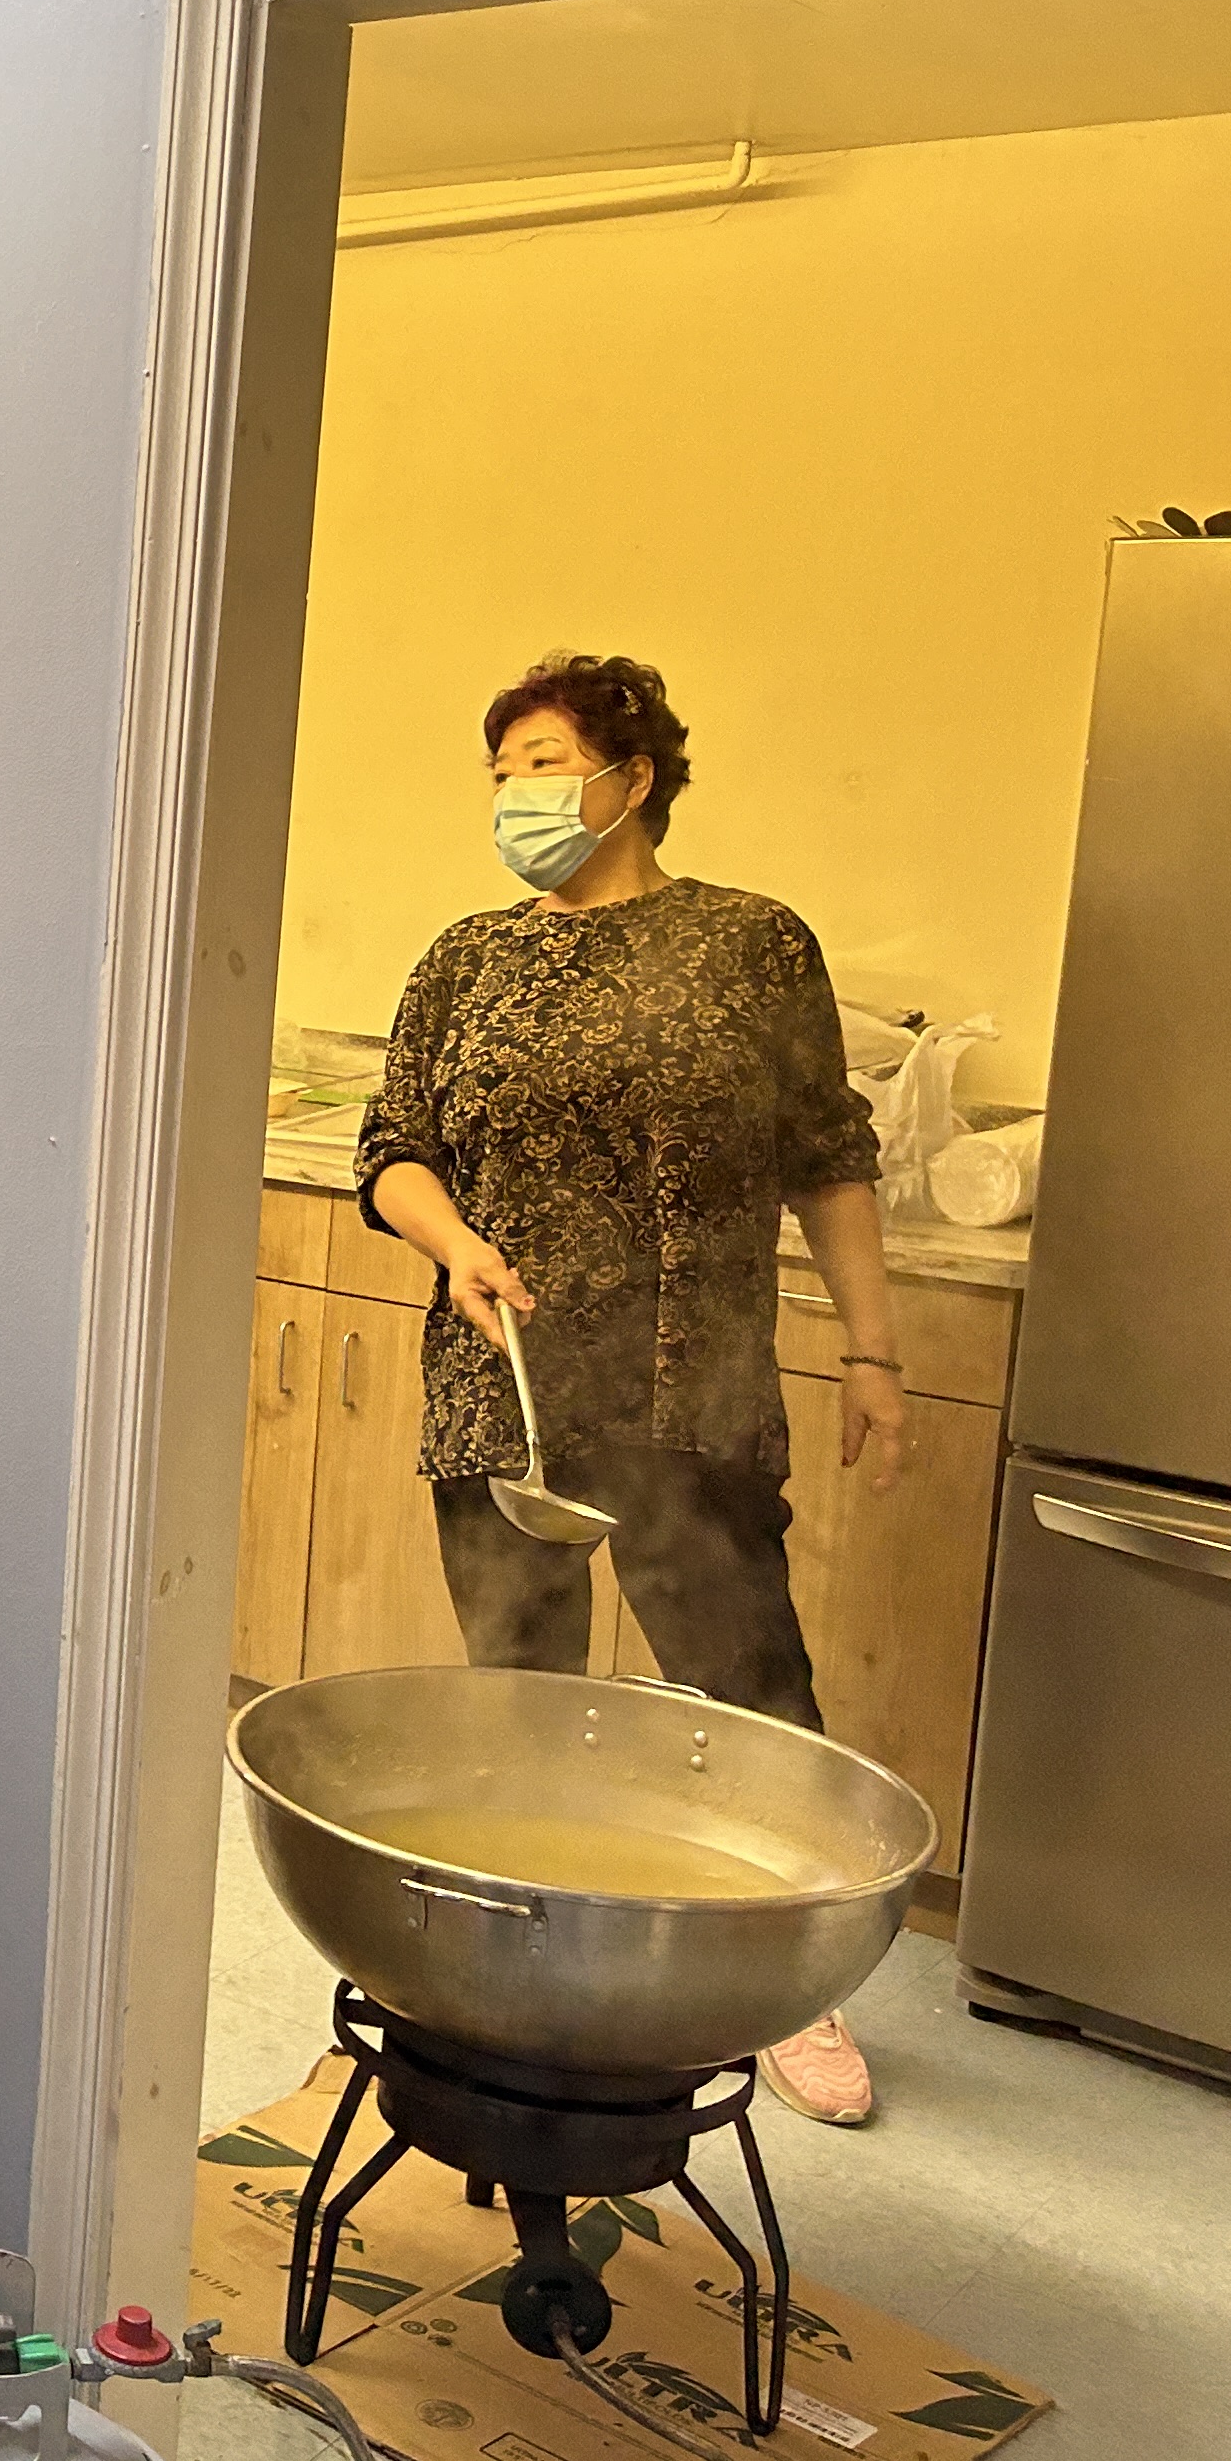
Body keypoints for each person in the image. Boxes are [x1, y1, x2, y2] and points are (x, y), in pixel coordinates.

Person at [355, 651, 904, 2130]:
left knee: (748, 1691)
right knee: (520, 1693)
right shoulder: (465, 961)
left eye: (541, 764)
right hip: (506, 1383)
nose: (515, 797)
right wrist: (454, 1243)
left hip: (687, 1387)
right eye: (500, 774)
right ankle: (533, 1966)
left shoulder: (750, 946)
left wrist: (873, 1350)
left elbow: (829, 1155)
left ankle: (787, 1982)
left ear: (632, 776)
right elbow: (393, 1152)